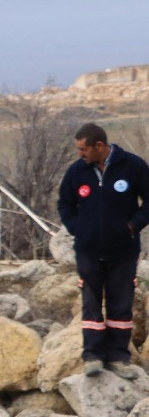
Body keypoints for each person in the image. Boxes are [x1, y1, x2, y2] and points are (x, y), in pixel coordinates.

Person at [57, 122, 149, 378]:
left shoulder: (132, 166)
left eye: (83, 149)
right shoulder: (77, 172)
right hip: (88, 250)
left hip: (123, 250)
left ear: (99, 146)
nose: (80, 154)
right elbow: (65, 204)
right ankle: (93, 357)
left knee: (121, 303)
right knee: (91, 303)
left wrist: (133, 226)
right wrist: (78, 228)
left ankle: (119, 358)